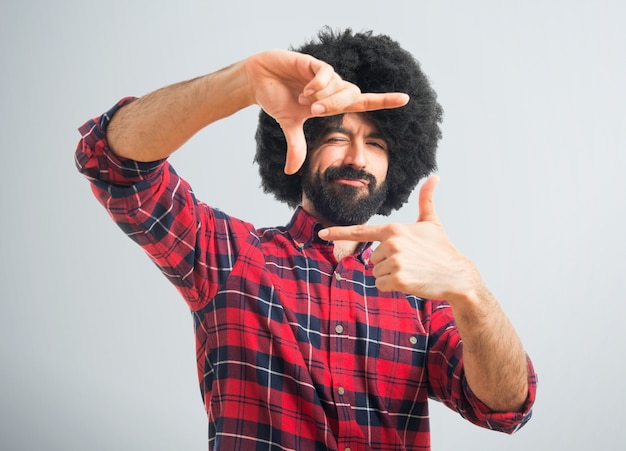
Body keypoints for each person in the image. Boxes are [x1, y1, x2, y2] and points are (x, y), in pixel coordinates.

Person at [76, 28, 537, 450]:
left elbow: (505, 407)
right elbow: (111, 163)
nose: (356, 157)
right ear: (297, 142)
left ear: (397, 163)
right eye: (336, 136)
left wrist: (470, 290)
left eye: (375, 144)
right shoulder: (229, 258)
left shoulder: (420, 299)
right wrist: (240, 82)